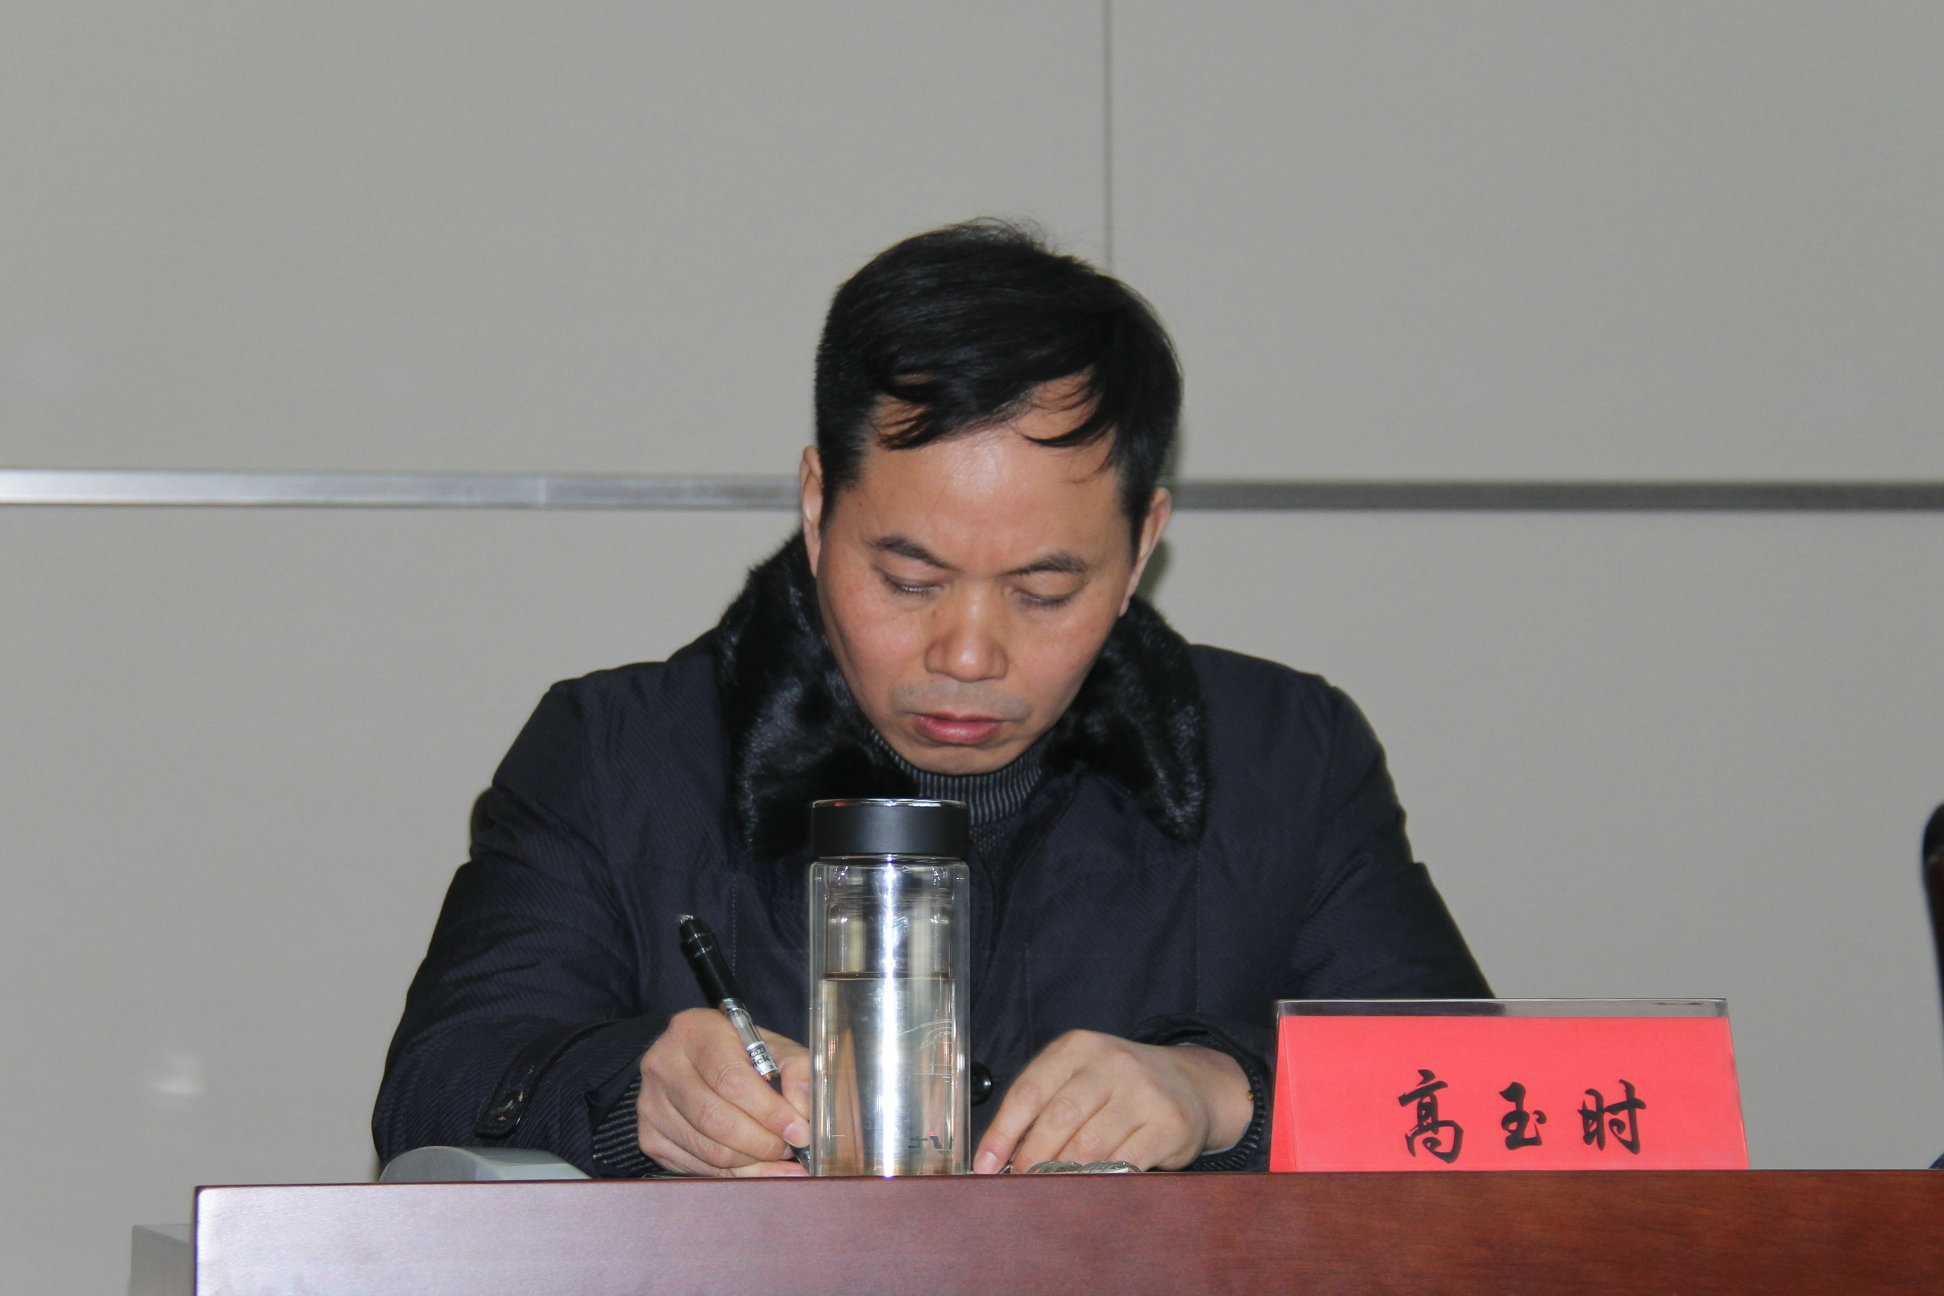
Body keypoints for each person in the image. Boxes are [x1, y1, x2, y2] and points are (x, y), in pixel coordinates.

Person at [373, 220, 1489, 1178]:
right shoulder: (619, 756)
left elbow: (1487, 1099)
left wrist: (1223, 1093)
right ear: (818, 505)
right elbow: (434, 1087)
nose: (967, 652)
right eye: (909, 581)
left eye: (1044, 592)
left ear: (1144, 541)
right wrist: (638, 1091)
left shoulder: (1285, 759)